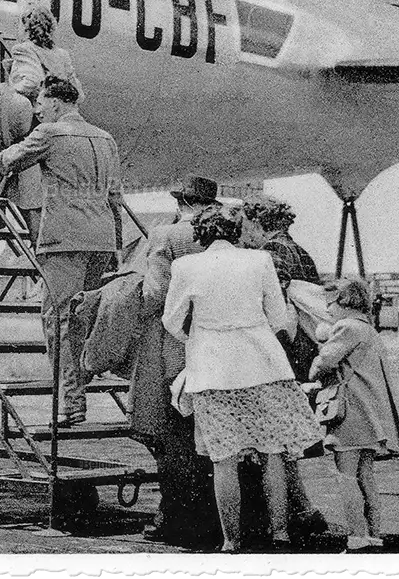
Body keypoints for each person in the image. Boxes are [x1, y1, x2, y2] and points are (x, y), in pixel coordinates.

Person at [0, 76, 123, 427]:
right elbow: (115, 197)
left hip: (64, 239)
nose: (36, 110)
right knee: (81, 317)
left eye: (40, 103)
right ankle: (78, 384)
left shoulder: (49, 134)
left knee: (58, 320)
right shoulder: (106, 138)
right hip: (100, 238)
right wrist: (116, 243)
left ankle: (71, 401)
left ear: (56, 103)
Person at [162, 205, 325, 553]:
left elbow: (172, 321)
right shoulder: (260, 261)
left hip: (212, 369)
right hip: (264, 365)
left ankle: (231, 541)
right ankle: (280, 533)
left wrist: (198, 337)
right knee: (274, 452)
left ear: (199, 235)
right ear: (235, 232)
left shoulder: (185, 266)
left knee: (224, 459)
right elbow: (279, 319)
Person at [132, 175, 222, 548]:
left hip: (174, 343)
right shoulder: (227, 239)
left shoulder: (165, 236)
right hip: (219, 344)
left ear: (180, 202)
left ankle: (174, 515)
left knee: (171, 434)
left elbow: (154, 295)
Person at [238, 195, 330, 542]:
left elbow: (273, 311)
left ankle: (300, 511)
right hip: (303, 353)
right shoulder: (300, 251)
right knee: (282, 441)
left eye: (247, 224)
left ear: (258, 223)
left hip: (280, 353)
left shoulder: (271, 255)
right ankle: (301, 508)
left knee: (274, 442)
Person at [309, 278, 399, 551]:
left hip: (350, 412)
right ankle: (374, 533)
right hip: (369, 413)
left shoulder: (345, 327)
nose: (329, 310)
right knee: (366, 475)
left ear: (344, 302)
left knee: (346, 475)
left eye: (331, 304)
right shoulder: (368, 329)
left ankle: (357, 536)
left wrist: (316, 360)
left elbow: (324, 363)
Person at [0, 2, 86, 245]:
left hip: (38, 124)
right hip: (64, 125)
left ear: (26, 26)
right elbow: (77, 91)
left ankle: (38, 244)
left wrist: (10, 87)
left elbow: (31, 82)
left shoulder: (23, 49)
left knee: (29, 190)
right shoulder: (62, 55)